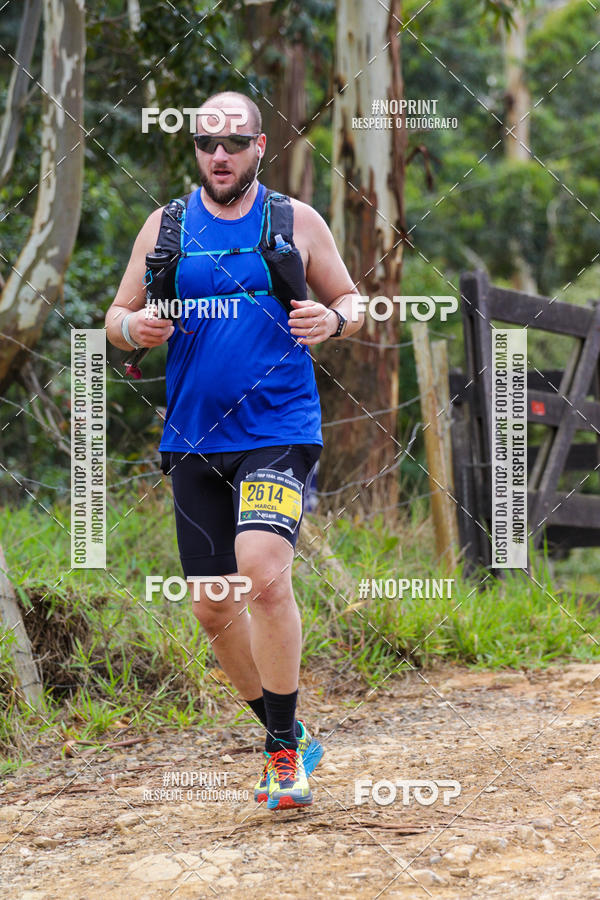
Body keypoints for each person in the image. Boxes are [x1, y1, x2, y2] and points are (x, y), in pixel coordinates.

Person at [105, 90, 364, 810]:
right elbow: (115, 316)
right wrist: (135, 332)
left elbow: (356, 298)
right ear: (196, 149)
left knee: (262, 572)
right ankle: (289, 732)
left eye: (234, 143)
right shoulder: (167, 226)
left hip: (278, 429)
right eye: (206, 144)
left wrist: (331, 320)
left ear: (258, 147)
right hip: (192, 439)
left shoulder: (294, 220)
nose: (219, 156)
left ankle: (281, 759)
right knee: (214, 609)